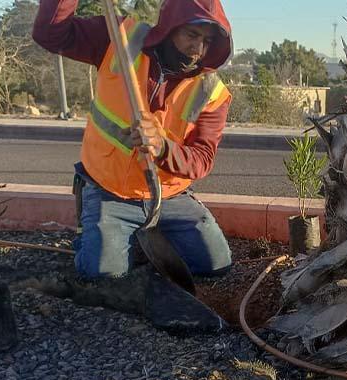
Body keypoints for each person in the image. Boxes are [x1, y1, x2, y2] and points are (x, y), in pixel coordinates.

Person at [32, 0, 233, 280]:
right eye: (192, 35)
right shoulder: (118, 37)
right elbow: (50, 34)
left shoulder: (212, 92)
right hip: (109, 191)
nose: (198, 49)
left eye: (208, 41)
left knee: (216, 266)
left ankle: (140, 237)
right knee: (103, 276)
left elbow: (202, 160)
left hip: (168, 198)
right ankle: (98, 237)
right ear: (170, 27)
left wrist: (163, 147)